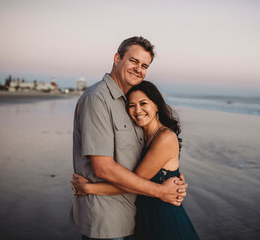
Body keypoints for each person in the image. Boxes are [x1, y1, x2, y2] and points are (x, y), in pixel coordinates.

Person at [71, 36, 188, 240]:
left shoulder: (127, 102)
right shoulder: (97, 99)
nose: (138, 69)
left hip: (133, 217)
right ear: (117, 58)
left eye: (144, 65)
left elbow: (144, 158)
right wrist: (161, 190)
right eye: (133, 61)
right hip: (107, 220)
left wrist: (172, 177)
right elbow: (103, 168)